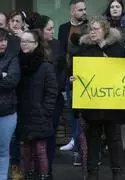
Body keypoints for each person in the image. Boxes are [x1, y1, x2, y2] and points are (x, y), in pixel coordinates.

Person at [72, 16, 125, 180]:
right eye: (91, 28)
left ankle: (117, 173)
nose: (92, 31)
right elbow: (76, 71)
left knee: (115, 140)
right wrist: (73, 78)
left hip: (112, 104)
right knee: (93, 140)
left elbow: (124, 72)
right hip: (93, 104)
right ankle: (92, 174)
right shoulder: (84, 49)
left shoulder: (117, 49)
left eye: (96, 28)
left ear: (105, 30)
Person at [17, 29, 57, 180]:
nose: (24, 44)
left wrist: (45, 111)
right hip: (23, 113)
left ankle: (43, 176)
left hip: (40, 114)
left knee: (40, 149)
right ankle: (27, 176)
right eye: (22, 41)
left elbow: (51, 91)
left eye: (28, 42)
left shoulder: (45, 66)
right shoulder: (18, 63)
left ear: (36, 44)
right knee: (26, 150)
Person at [34, 15, 70, 178]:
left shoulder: (57, 45)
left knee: (50, 135)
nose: (53, 32)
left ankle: (47, 170)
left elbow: (62, 71)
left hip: (53, 99)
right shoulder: (31, 45)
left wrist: (54, 90)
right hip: (33, 100)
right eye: (49, 29)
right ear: (40, 31)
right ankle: (34, 169)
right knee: (33, 137)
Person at [58, 0, 88, 167]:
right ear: (72, 11)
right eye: (80, 9)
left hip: (86, 76)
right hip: (70, 75)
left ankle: (79, 146)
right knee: (72, 111)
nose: (83, 12)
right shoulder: (63, 28)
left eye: (84, 9)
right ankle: (74, 139)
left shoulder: (89, 26)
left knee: (83, 114)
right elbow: (62, 53)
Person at [0, 28, 20, 180]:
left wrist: (5, 77)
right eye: (0, 40)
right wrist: (2, 74)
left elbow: (12, 81)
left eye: (5, 40)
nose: (2, 43)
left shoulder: (12, 58)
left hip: (7, 112)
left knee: (3, 150)